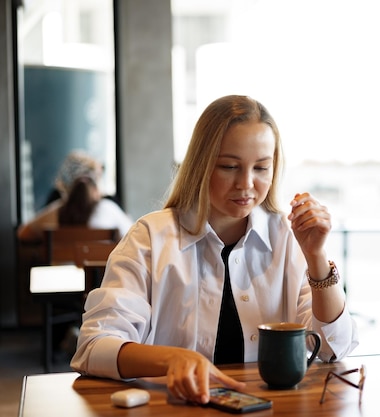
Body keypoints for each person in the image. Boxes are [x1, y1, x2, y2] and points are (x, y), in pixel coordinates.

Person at [70, 95, 359, 405]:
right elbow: (93, 346)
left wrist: (316, 256)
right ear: (201, 165)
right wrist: (171, 359)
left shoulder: (288, 239)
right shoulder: (150, 238)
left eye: (261, 168)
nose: (246, 184)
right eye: (229, 166)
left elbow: (334, 348)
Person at [17, 151, 133, 242]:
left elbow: (23, 233)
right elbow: (132, 236)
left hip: (61, 272)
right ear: (95, 185)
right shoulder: (107, 209)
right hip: (101, 272)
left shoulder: (57, 211)